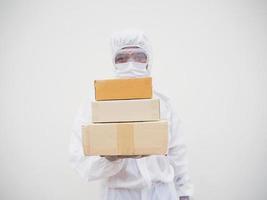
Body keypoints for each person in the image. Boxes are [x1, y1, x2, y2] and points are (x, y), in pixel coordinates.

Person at [69, 30, 194, 200]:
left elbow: (177, 151)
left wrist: (184, 192)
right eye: (122, 58)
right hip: (119, 194)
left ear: (148, 60)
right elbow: (79, 157)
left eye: (138, 56)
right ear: (113, 62)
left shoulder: (162, 102)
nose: (130, 64)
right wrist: (110, 159)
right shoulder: (95, 104)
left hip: (161, 191)